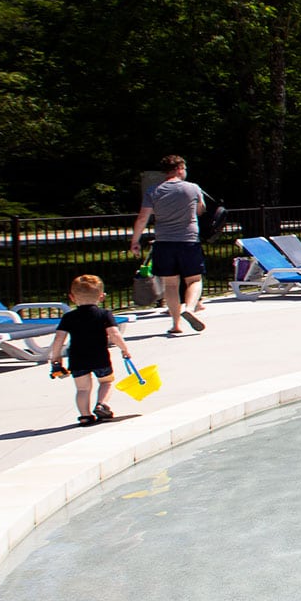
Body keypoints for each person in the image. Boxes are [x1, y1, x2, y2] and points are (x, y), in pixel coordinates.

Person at [129, 154, 210, 336]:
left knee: (171, 285)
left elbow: (143, 218)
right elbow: (201, 209)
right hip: (188, 241)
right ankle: (189, 308)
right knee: (194, 280)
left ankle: (176, 324)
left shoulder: (154, 191)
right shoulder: (192, 188)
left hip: (164, 242)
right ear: (180, 168)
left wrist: (135, 241)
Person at [46, 274, 134, 426]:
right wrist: (124, 349)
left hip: (77, 358)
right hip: (99, 356)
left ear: (72, 298)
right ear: (102, 296)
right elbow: (114, 334)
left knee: (82, 389)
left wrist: (56, 358)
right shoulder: (104, 314)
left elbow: (59, 339)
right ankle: (102, 404)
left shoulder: (68, 317)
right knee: (106, 382)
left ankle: (85, 416)